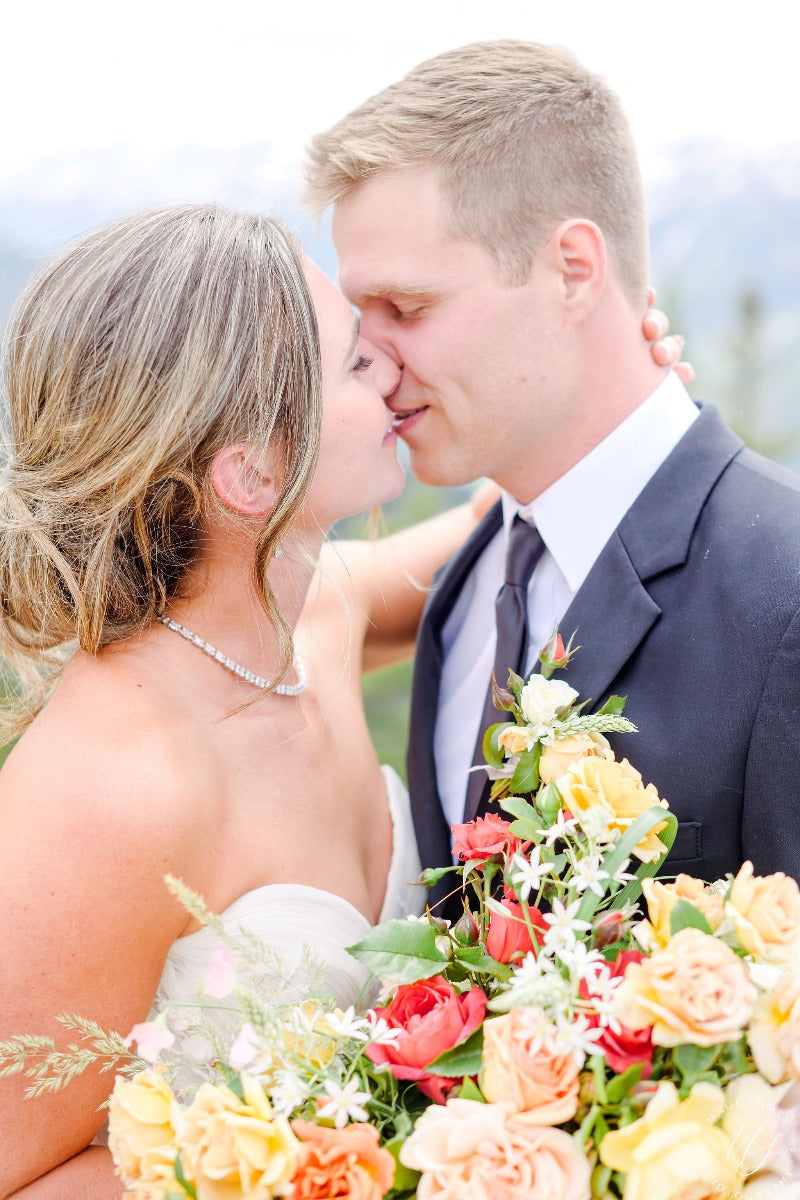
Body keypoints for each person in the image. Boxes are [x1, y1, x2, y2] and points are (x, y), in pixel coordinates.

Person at [0, 200, 686, 1192]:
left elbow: (504, 533)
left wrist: (613, 397)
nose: (395, 374)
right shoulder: (112, 791)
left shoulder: (312, 618)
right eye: (359, 365)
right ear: (250, 472)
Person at [304, 39, 800, 917]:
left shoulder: (783, 591)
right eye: (358, 314)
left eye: (406, 309)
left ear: (572, 270)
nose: (370, 363)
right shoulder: (467, 588)